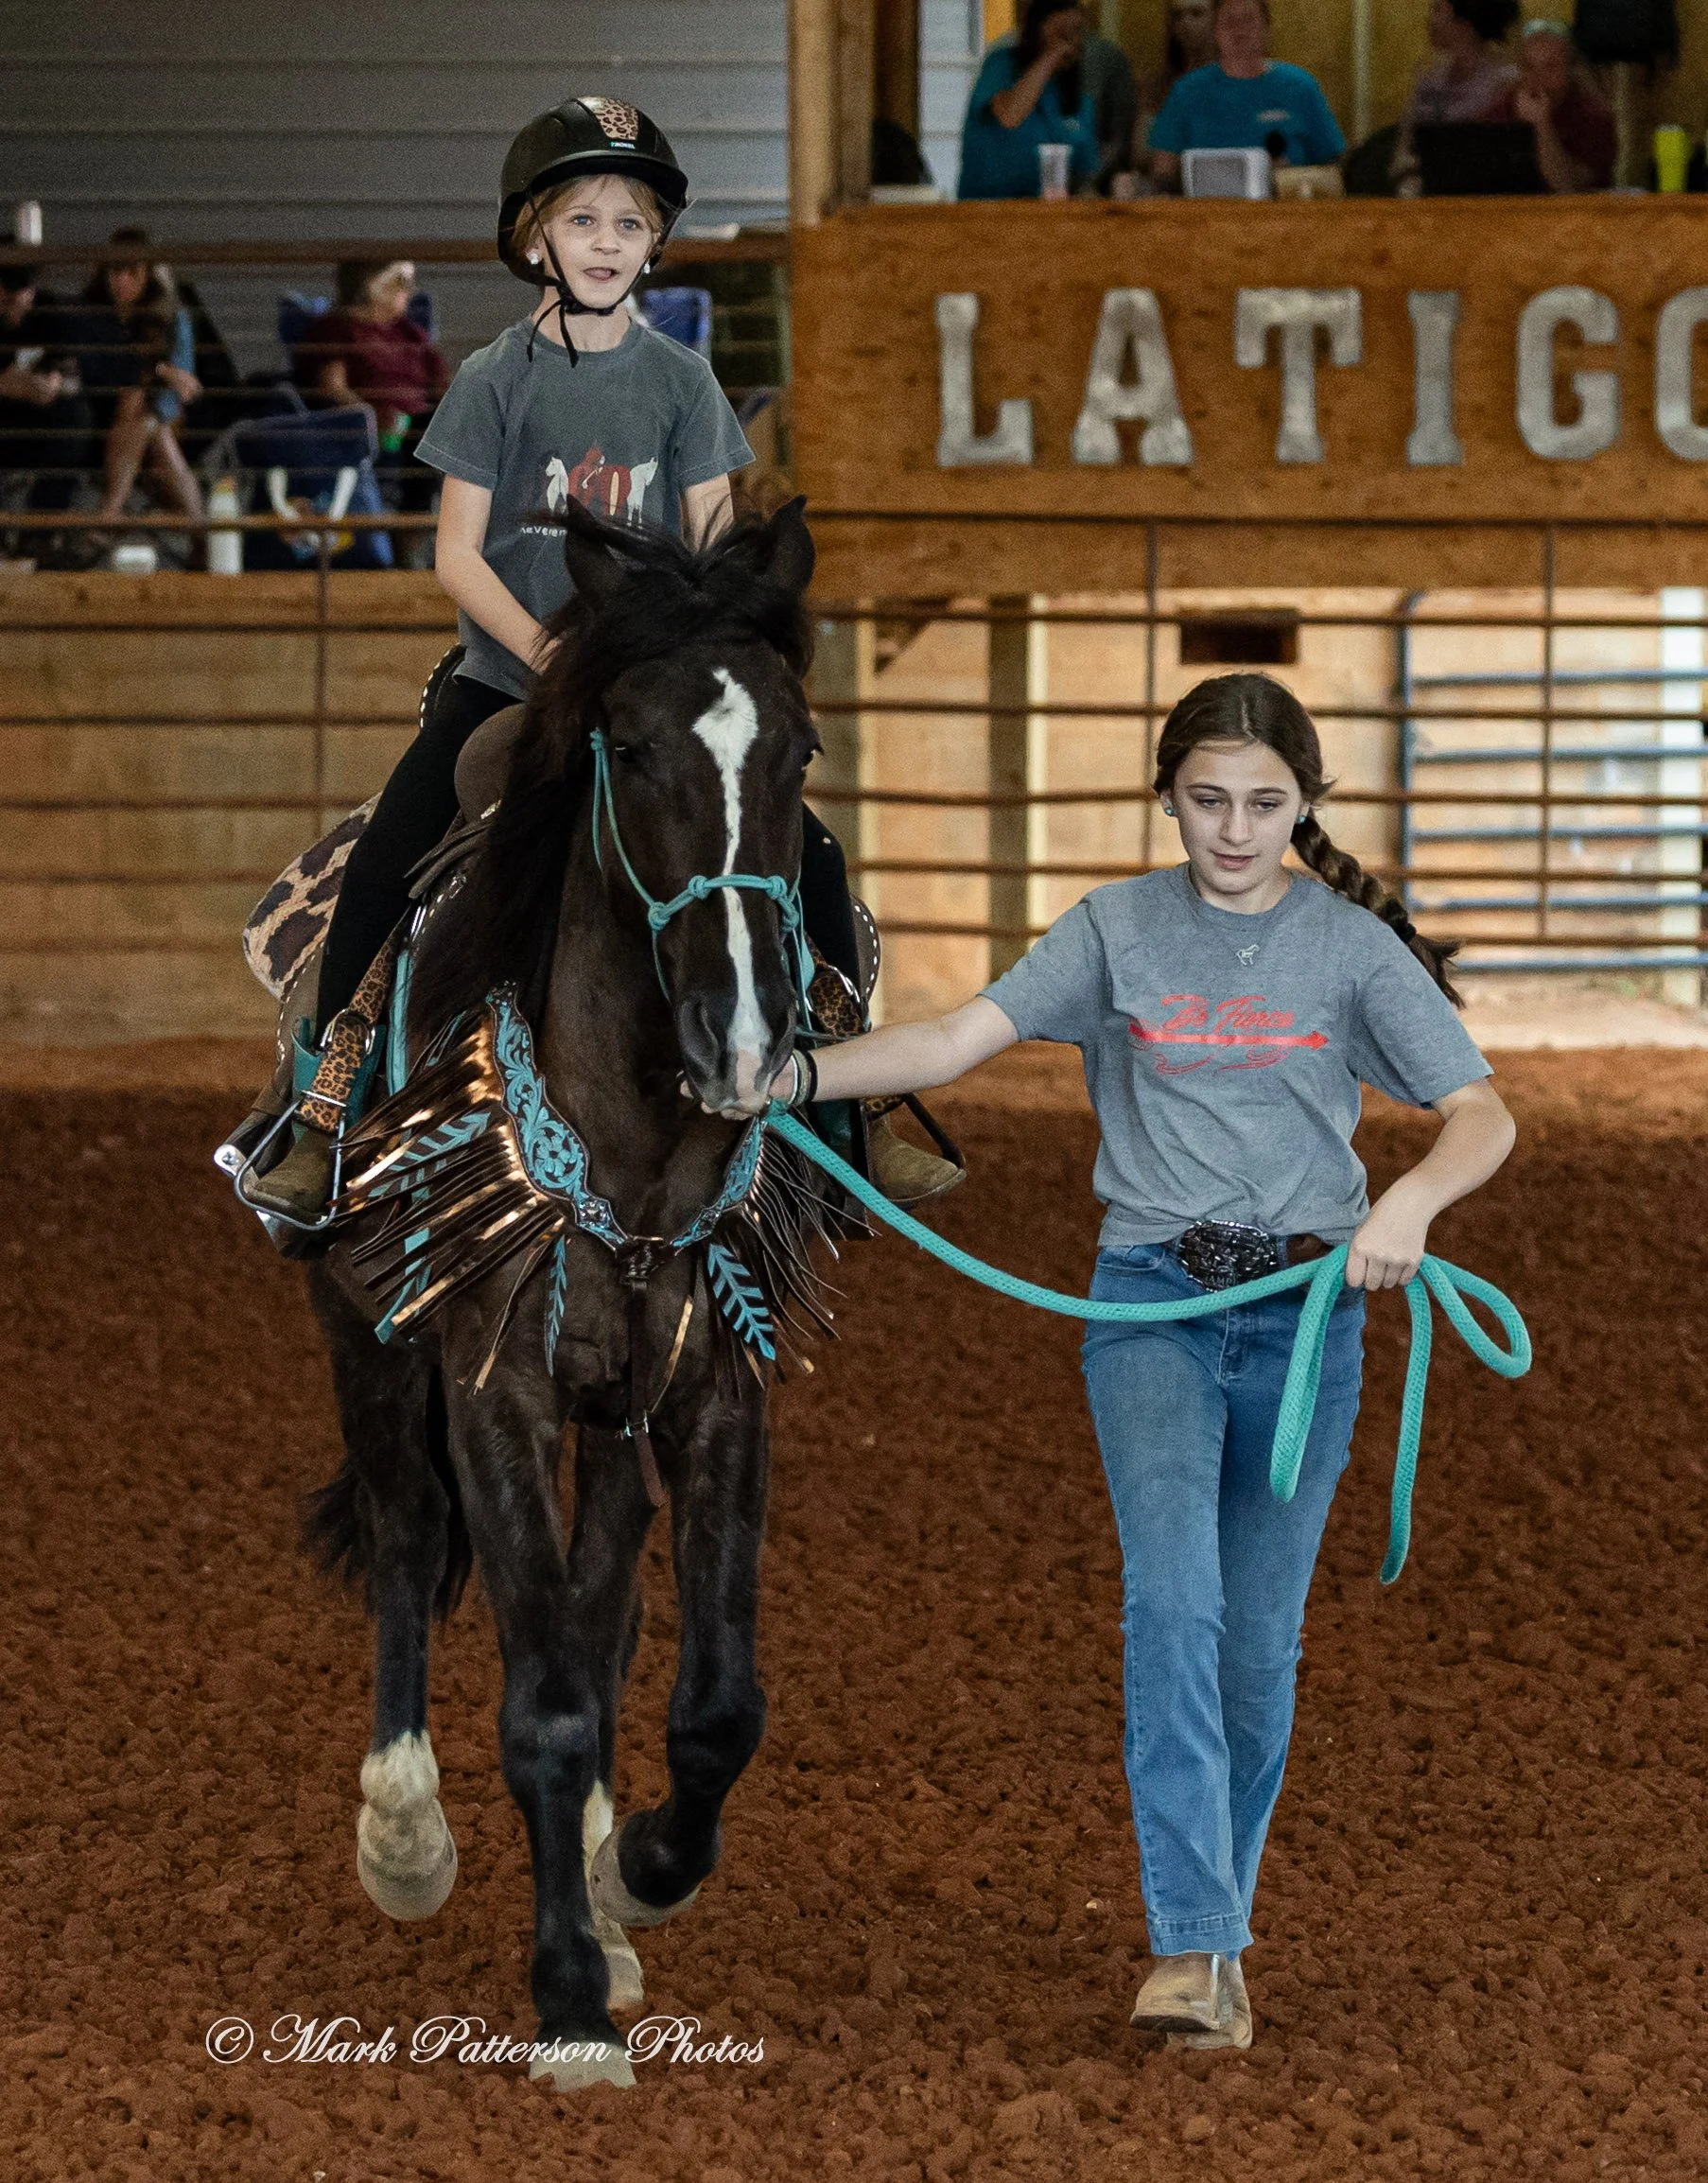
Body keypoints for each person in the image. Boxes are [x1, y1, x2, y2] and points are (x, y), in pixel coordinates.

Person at [746, 673, 1516, 2049]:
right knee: (1175, 1607)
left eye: (1264, 805)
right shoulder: (1112, 928)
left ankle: (1215, 1925)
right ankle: (1192, 1948)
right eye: (1207, 801)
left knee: (1256, 1649)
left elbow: (1477, 1112)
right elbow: (954, 1042)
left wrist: (1404, 1204)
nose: (1233, 831)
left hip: (1305, 1317)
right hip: (1149, 1305)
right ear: (1166, 798)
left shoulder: (1347, 949)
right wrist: (784, 1080)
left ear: (1305, 805)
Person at [248, 96, 960, 1224]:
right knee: (390, 861)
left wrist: (682, 653)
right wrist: (554, 656)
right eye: (584, 223)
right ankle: (320, 1106)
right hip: (505, 683)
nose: (608, 245)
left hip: (656, 691)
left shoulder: (682, 383)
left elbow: (719, 552)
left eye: (629, 226)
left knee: (808, 862)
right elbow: (456, 553)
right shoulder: (493, 378)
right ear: (534, 237)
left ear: (652, 245)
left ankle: (848, 1107)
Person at [70, 228, 204, 541]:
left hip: (163, 412)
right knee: (142, 411)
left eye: (133, 273)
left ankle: (111, 512)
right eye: (115, 272)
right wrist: (159, 371)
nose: (122, 281)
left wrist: (156, 380)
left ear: (147, 274)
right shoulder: (91, 314)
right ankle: (204, 537)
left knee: (145, 412)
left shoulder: (171, 316)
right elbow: (95, 369)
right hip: (104, 412)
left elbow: (185, 387)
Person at [1147, 0, 1344, 190]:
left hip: (1285, 216)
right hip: (1206, 216)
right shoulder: (1187, 91)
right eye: (1229, 22)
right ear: (1215, 32)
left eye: (1248, 20)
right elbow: (1162, 174)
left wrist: (1289, 178)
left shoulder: (1300, 86)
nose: (1239, 30)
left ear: (1267, 30)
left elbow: (1335, 168)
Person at [958, 2, 1120, 200]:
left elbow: (1083, 173)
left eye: (1076, 32)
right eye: (1061, 34)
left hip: (1047, 215)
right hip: (988, 211)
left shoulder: (1078, 97)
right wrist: (1050, 57)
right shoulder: (1001, 66)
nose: (1070, 44)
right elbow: (1009, 115)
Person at [296, 258, 449, 447]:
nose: (411, 291)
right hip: (377, 431)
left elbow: (442, 383)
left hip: (422, 423)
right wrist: (374, 417)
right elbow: (333, 387)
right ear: (373, 285)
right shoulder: (335, 328)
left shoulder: (409, 331)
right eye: (403, 282)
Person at [0, 263, 95, 563]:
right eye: (5, 291)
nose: (12, 300)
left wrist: (50, 383)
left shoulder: (51, 312)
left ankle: (37, 533)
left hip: (43, 421)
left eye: (19, 291)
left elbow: (69, 372)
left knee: (75, 421)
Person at [1392, 0, 1521, 193]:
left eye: (1437, 10)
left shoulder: (1506, 81)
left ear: (1464, 25)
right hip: (1425, 195)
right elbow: (1403, 150)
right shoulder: (1429, 78)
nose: (1428, 19)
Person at [1500, 21, 1616, 192]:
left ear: (1571, 70)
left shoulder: (1594, 119)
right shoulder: (1504, 108)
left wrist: (1542, 125)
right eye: (1529, 67)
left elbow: (1567, 186)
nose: (1538, 78)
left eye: (1551, 67)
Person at [1135, 0, 1219, 176]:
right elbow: (1140, 153)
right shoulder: (1157, 85)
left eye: (1196, 14)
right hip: (1171, 185)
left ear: (1218, 18)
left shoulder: (1237, 78)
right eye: (1177, 16)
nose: (1185, 23)